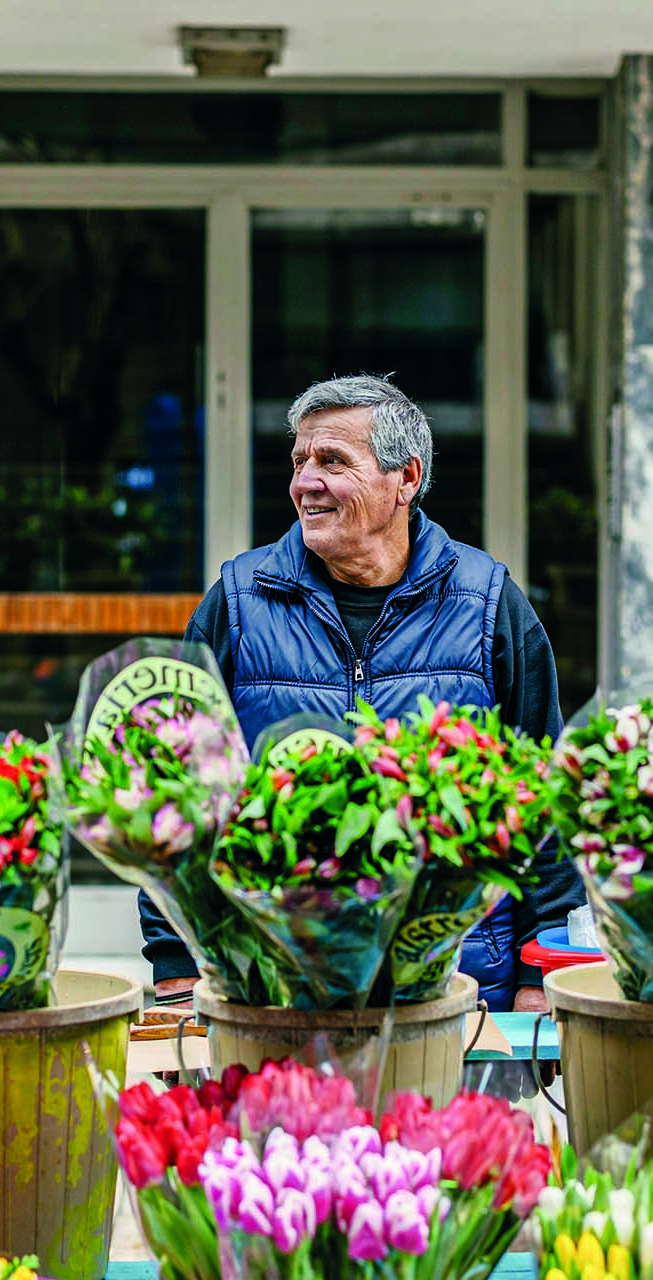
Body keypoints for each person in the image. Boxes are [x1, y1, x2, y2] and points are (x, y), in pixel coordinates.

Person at [139, 374, 582, 1014]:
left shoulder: (491, 605)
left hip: (455, 986)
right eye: (299, 461)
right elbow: (170, 799)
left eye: (333, 461)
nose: (304, 482)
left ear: (405, 479)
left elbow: (545, 802)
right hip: (274, 985)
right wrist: (177, 970)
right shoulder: (235, 605)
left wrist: (542, 974)